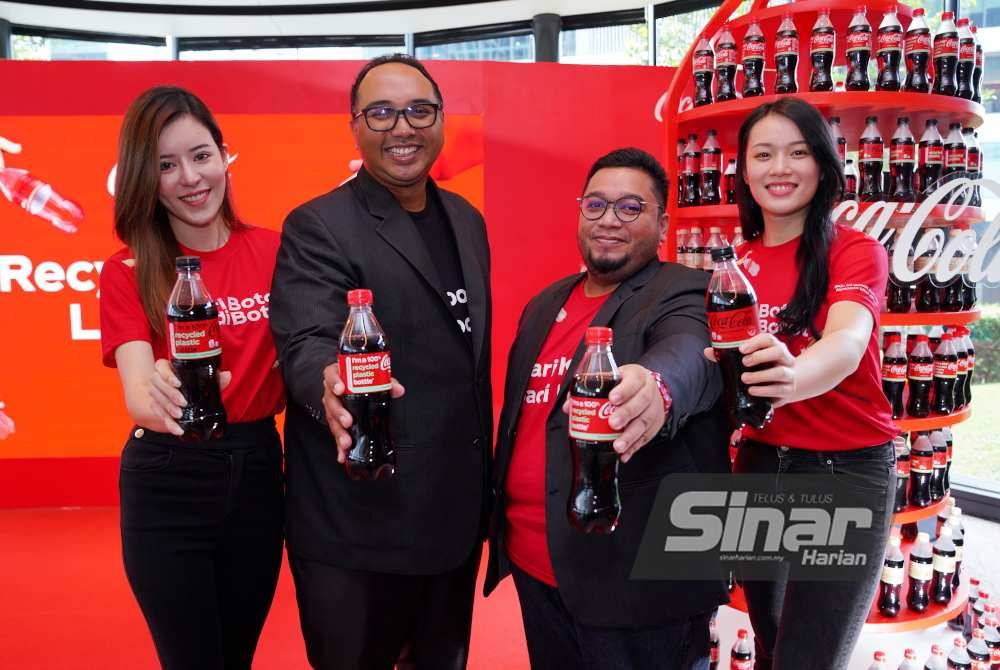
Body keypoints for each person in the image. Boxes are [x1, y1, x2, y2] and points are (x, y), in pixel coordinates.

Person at [269, 54, 492, 670]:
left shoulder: (467, 222)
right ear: (355, 125)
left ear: (441, 119)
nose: (403, 128)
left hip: (451, 523)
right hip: (360, 526)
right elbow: (306, 340)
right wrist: (331, 384)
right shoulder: (320, 225)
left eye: (420, 110)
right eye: (383, 112)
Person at [484, 147, 730, 669]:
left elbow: (690, 356)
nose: (609, 221)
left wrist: (655, 387)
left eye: (629, 208)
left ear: (663, 223)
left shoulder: (687, 292)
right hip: (539, 570)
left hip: (637, 585)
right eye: (595, 206)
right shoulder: (544, 305)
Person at [98, 86, 285, 670]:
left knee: (237, 657)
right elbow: (137, 393)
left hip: (258, 471)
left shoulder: (280, 251)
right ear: (143, 179)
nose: (190, 178)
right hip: (168, 479)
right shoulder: (127, 271)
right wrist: (161, 393)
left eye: (201, 155)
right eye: (166, 165)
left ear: (224, 156)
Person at [713, 97, 897, 670]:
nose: (780, 168)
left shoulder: (855, 251)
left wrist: (790, 376)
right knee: (768, 642)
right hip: (762, 465)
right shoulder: (734, 264)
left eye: (798, 152)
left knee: (809, 658)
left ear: (823, 165)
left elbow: (845, 344)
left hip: (847, 470)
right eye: (763, 154)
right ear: (743, 170)